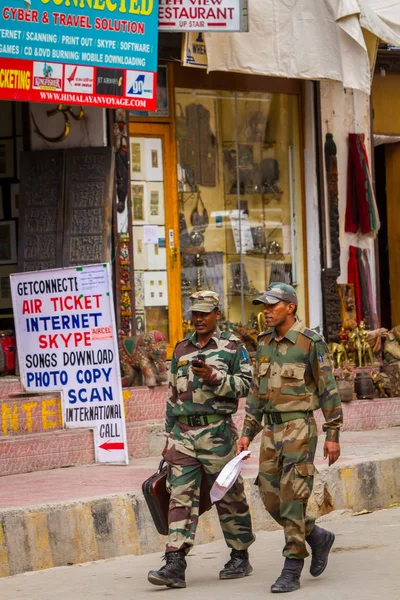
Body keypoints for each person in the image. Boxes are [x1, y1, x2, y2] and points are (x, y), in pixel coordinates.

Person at [237, 283, 343, 594]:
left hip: (299, 428)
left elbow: (328, 390)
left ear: (290, 307)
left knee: (293, 497)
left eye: (272, 305)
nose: (266, 311)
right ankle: (316, 536)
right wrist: (247, 433)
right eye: (264, 306)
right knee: (271, 498)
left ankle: (292, 566)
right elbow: (257, 393)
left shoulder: (309, 342)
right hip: (270, 431)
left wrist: (332, 433)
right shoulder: (264, 343)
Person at [148, 291, 255, 589]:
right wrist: (168, 436)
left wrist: (213, 376)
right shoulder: (181, 348)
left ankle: (239, 554)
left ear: (217, 315)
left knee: (228, 495)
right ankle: (175, 562)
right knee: (179, 495)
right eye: (195, 313)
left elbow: (247, 385)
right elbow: (172, 396)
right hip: (182, 434)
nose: (199, 318)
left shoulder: (232, 347)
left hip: (217, 432)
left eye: (205, 313)